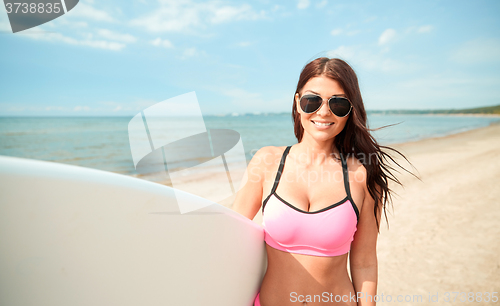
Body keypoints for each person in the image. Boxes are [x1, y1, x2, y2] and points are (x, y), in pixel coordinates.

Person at [232, 57, 408, 306]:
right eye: (312, 100)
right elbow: (230, 232)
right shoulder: (266, 161)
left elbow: (365, 262)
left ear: (350, 111)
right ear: (297, 102)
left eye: (338, 104)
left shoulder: (363, 176)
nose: (324, 112)